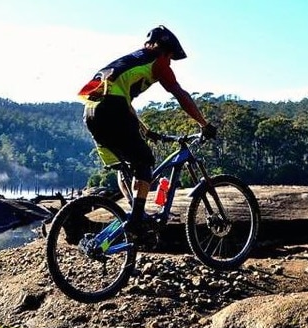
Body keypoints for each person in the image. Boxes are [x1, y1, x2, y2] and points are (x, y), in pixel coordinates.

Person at [78, 25, 217, 240]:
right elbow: (180, 94)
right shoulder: (158, 60)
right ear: (165, 51)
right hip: (111, 109)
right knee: (144, 162)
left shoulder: (130, 61)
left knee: (123, 168)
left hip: (91, 112)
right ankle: (135, 222)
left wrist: (146, 130)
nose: (170, 63)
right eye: (171, 57)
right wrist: (204, 124)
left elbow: (124, 102)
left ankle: (135, 216)